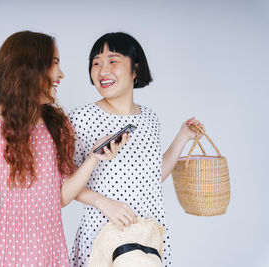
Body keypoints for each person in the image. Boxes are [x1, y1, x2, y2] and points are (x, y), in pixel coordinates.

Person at [0, 31, 129, 267]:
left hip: (45, 257)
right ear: (31, 68)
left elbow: (57, 198)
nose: (60, 74)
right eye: (54, 63)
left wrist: (93, 158)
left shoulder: (57, 127)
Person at [69, 32, 204, 267]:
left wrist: (183, 136)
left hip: (147, 233)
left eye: (113, 61)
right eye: (96, 63)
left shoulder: (150, 118)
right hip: (103, 234)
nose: (102, 71)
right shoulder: (81, 119)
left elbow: (152, 176)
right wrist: (103, 203)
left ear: (135, 70)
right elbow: (64, 182)